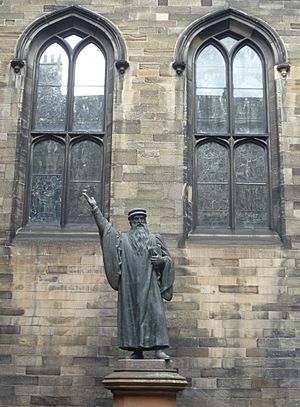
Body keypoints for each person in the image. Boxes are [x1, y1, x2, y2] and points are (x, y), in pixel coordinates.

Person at [83, 192, 174, 360]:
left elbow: (169, 260)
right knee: (132, 316)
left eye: (142, 219)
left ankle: (159, 348)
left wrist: (161, 261)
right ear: (130, 222)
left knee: (156, 314)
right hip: (130, 286)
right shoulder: (121, 240)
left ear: (145, 221)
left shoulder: (156, 239)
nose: (139, 222)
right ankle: (136, 351)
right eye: (136, 219)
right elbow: (106, 230)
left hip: (151, 286)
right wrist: (95, 209)